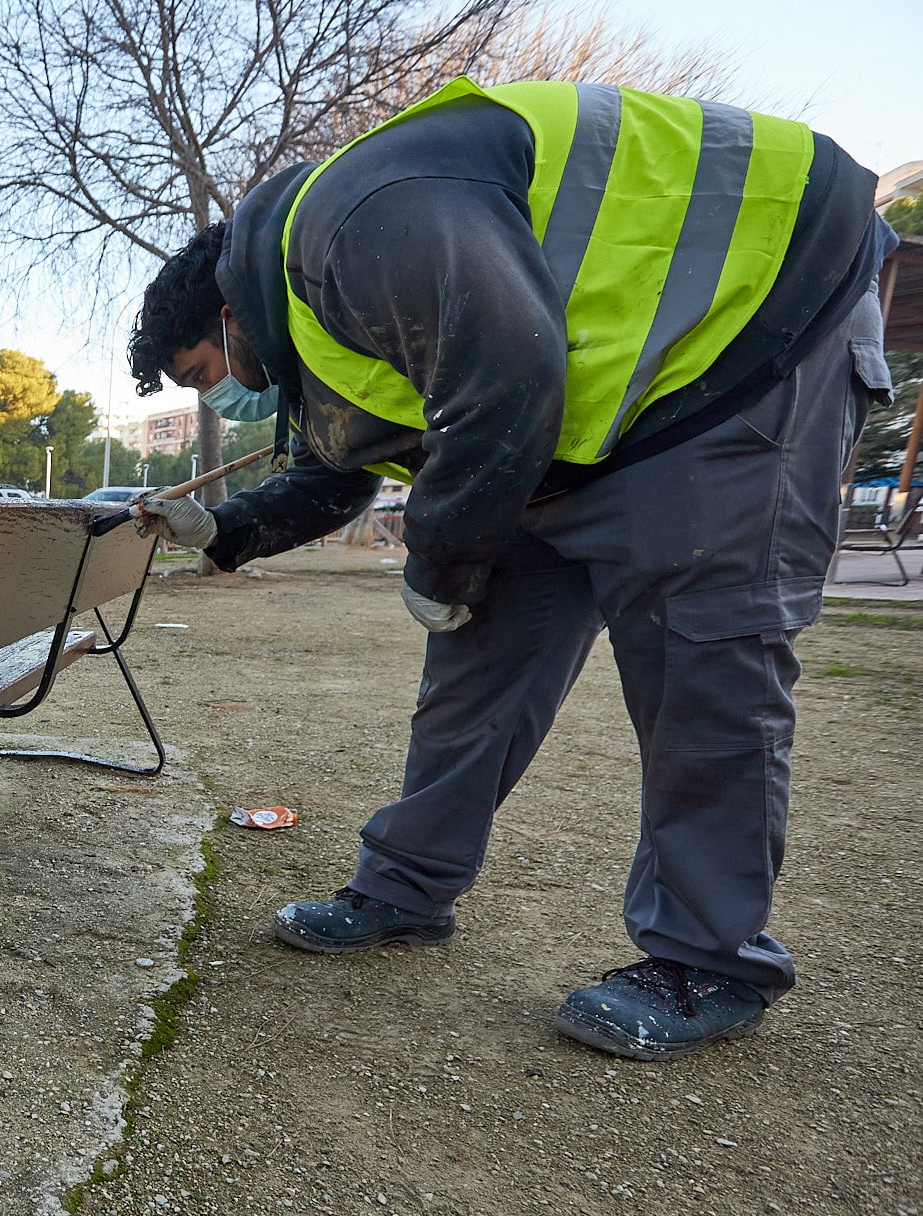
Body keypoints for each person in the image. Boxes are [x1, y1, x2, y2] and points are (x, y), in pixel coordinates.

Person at [126, 79, 897, 1062]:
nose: (221, 393)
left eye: (201, 372)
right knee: (477, 659)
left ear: (227, 311)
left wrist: (440, 563)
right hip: (577, 422)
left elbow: (511, 366)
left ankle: (710, 958)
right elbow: (332, 477)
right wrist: (218, 531)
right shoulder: (313, 335)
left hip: (753, 315)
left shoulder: (352, 223)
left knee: (707, 638)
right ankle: (407, 887)